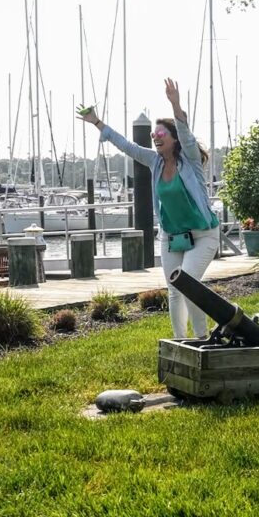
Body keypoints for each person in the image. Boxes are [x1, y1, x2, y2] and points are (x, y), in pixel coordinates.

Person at [76, 78, 220, 338]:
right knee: (175, 290)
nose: (155, 137)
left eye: (161, 134)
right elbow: (127, 146)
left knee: (189, 284)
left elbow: (186, 133)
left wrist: (175, 104)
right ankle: (180, 342)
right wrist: (97, 122)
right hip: (172, 237)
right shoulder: (155, 161)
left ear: (174, 139)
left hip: (203, 236)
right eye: (153, 134)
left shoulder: (190, 160)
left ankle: (203, 339)